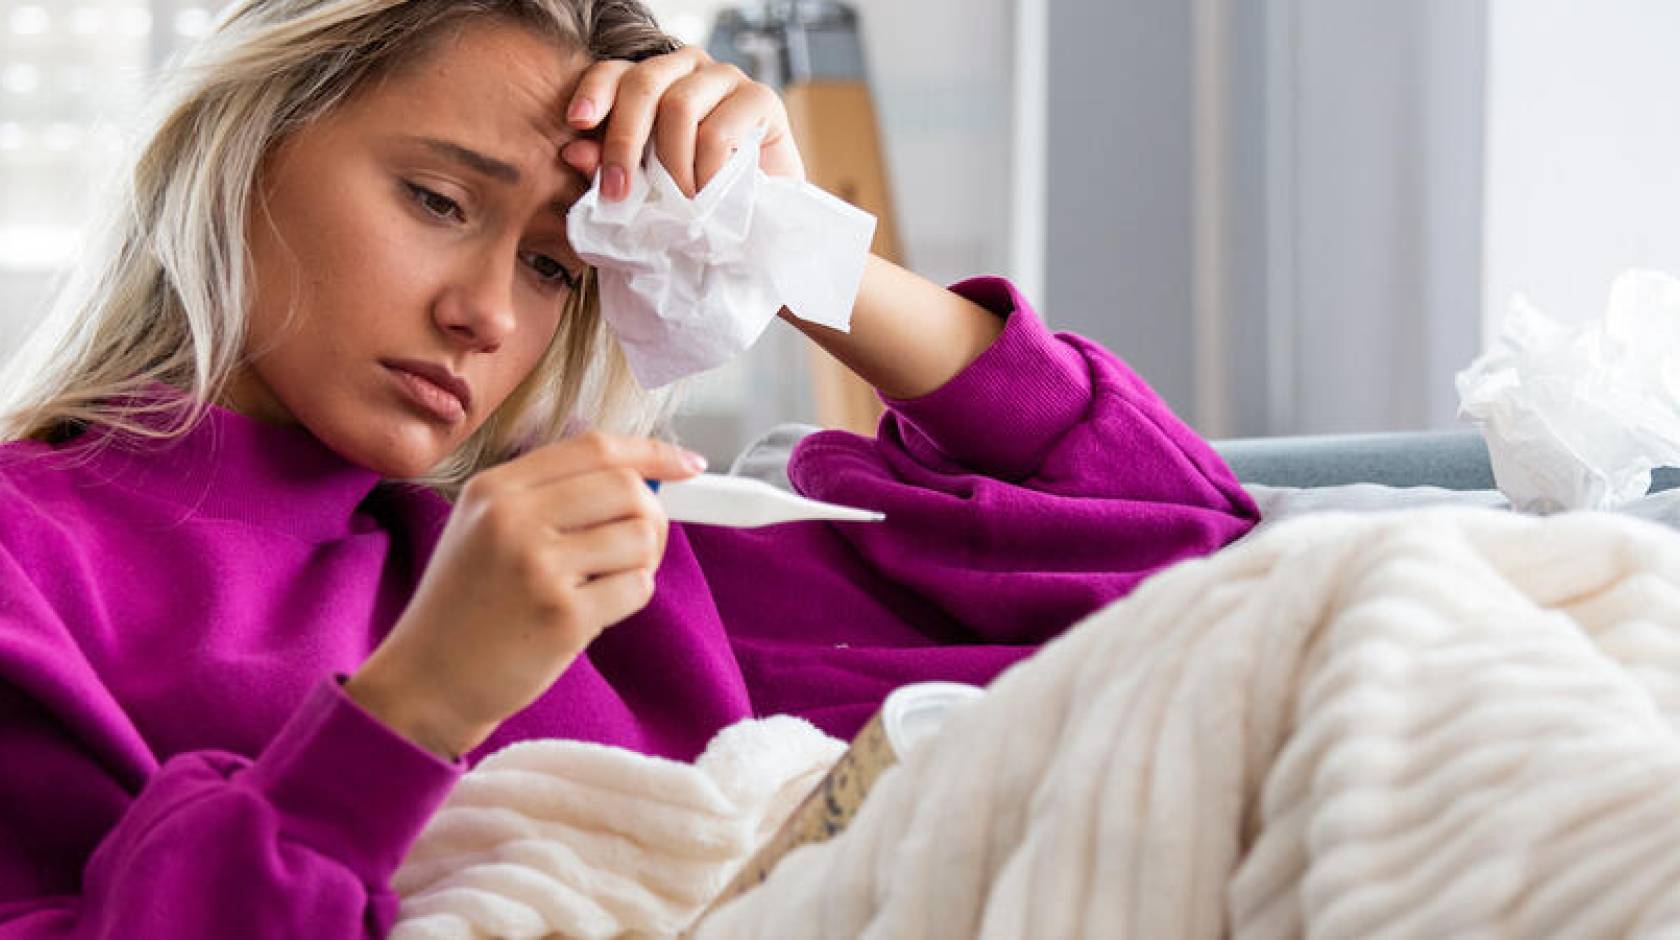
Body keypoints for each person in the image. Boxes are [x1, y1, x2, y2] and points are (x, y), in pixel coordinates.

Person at [0, 0, 1259, 935]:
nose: (487, 314)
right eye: (438, 200)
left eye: (555, 265)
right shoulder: (30, 556)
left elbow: (1189, 562)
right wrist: (416, 706)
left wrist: (791, 246)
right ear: (243, 144)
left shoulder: (591, 568)